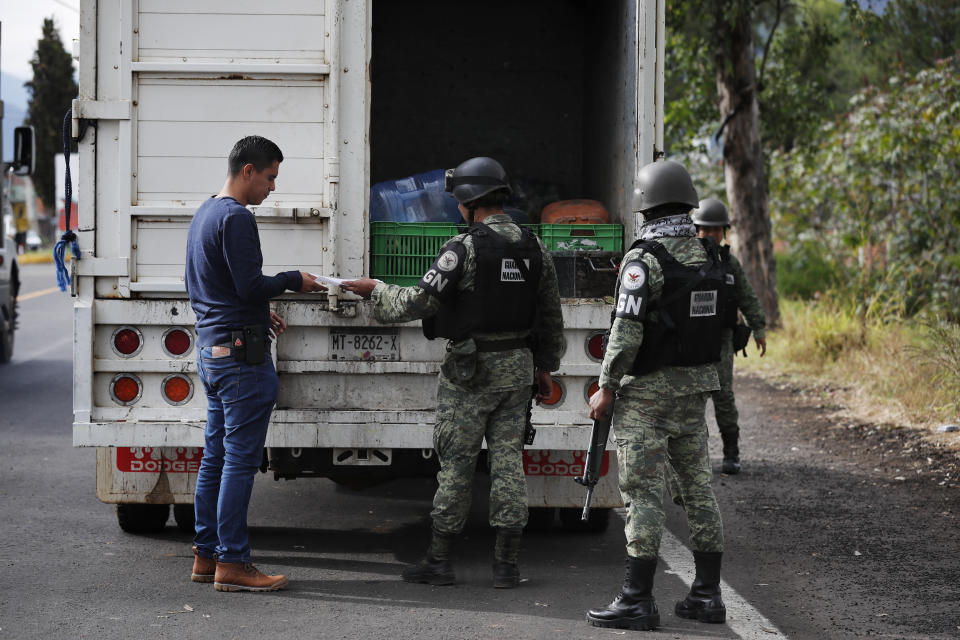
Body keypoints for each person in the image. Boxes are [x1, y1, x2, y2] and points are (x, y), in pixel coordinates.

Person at [342, 157, 564, 589]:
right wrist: (545, 369)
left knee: (457, 469)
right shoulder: (535, 248)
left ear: (467, 202)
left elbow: (419, 303)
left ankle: (439, 561)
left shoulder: (462, 248)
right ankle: (507, 566)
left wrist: (377, 291)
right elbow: (551, 318)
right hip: (517, 371)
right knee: (508, 466)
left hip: (470, 374)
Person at [586, 160, 727, 630]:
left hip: (647, 394)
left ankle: (636, 600)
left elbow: (624, 333)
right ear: (687, 202)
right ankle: (707, 597)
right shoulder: (710, 255)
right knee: (698, 488)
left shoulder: (643, 259)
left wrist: (606, 387)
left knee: (643, 493)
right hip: (696, 390)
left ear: (646, 203)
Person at [184, 135, 325, 592]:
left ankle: (206, 556)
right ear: (248, 171)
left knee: (216, 458)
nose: (271, 189)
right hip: (242, 361)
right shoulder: (237, 217)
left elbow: (212, 286)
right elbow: (248, 284)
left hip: (212, 351)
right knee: (239, 464)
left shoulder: (205, 213)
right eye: (270, 178)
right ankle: (234, 564)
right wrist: (295, 280)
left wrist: (258, 314)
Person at [691, 198, 767, 474]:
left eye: (717, 231)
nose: (711, 236)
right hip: (692, 343)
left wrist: (758, 328)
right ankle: (692, 460)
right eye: (706, 230)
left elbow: (747, 297)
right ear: (696, 230)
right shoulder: (686, 259)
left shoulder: (728, 263)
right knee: (691, 401)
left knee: (724, 398)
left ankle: (731, 452)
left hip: (721, 341)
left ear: (724, 231)